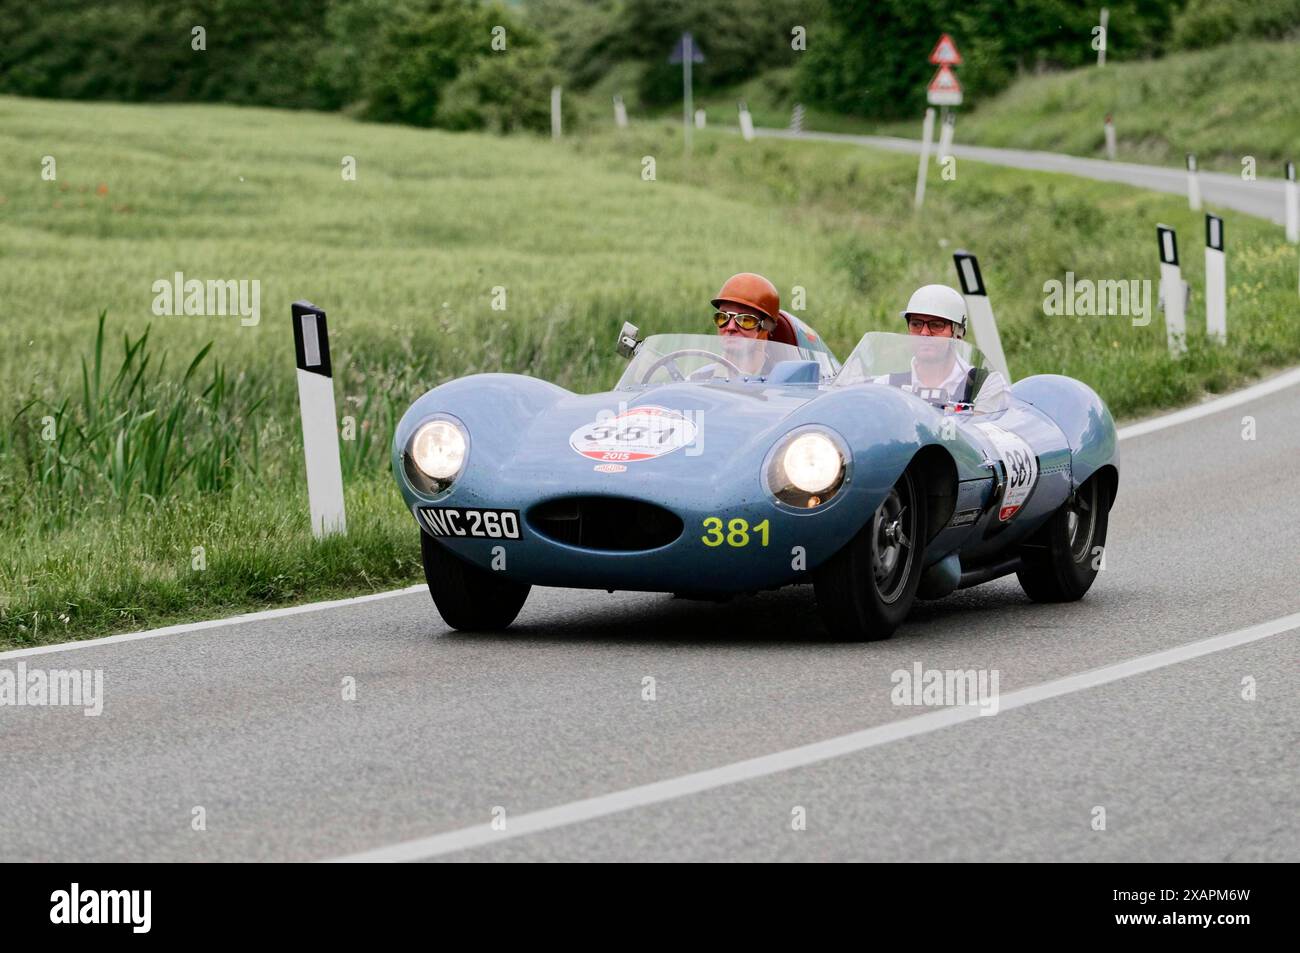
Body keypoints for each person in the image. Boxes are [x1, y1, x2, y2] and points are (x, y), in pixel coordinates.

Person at [883, 284, 1009, 414]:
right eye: (916, 324)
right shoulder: (886, 386)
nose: (924, 332)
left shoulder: (985, 385)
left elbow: (982, 433)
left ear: (958, 334)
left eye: (936, 325)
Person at [703, 273, 783, 378]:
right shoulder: (698, 379)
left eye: (745, 320)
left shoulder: (780, 383)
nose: (730, 327)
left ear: (766, 327)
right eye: (722, 317)